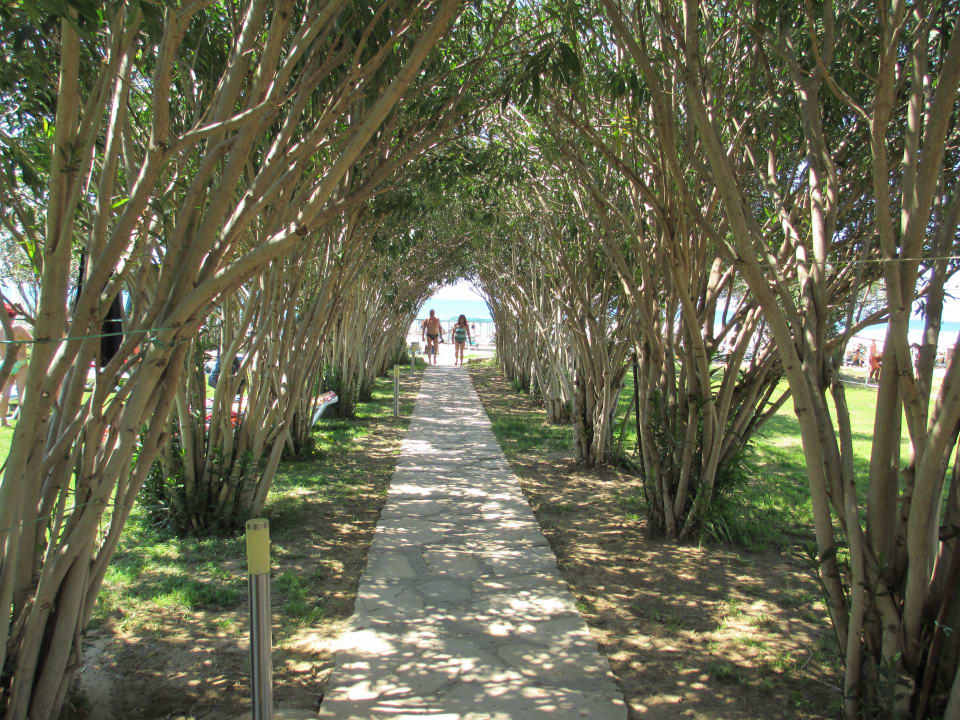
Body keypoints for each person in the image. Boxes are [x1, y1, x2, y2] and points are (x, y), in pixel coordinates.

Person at [1, 303, 32, 426]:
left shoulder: (1, 330)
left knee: (5, 394)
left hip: (5, 363)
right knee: (22, 392)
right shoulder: (18, 328)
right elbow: (32, 340)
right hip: (20, 362)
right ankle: (22, 421)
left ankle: (3, 420)